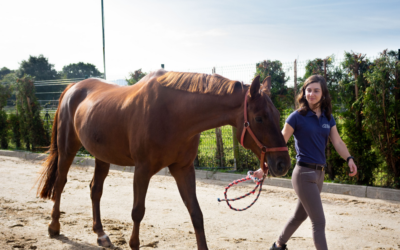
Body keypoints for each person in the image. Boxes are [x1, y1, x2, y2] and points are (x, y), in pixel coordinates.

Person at [253, 75, 358, 250]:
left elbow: (338, 142)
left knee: (299, 216)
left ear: (323, 93)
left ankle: (278, 245)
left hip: (319, 174)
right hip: (303, 174)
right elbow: (280, 143)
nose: (312, 94)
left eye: (316, 90)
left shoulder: (327, 117)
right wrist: (263, 168)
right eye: (308, 90)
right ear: (304, 92)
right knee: (319, 221)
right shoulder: (296, 117)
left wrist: (349, 158)